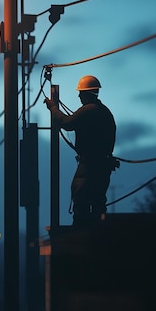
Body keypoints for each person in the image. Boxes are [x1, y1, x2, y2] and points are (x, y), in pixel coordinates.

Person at [44, 75, 117, 226]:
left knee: (80, 195)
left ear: (86, 94)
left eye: (80, 93)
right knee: (98, 200)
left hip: (90, 164)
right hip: (104, 165)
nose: (78, 96)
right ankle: (99, 233)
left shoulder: (88, 111)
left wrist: (52, 108)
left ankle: (80, 233)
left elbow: (66, 123)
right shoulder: (105, 112)